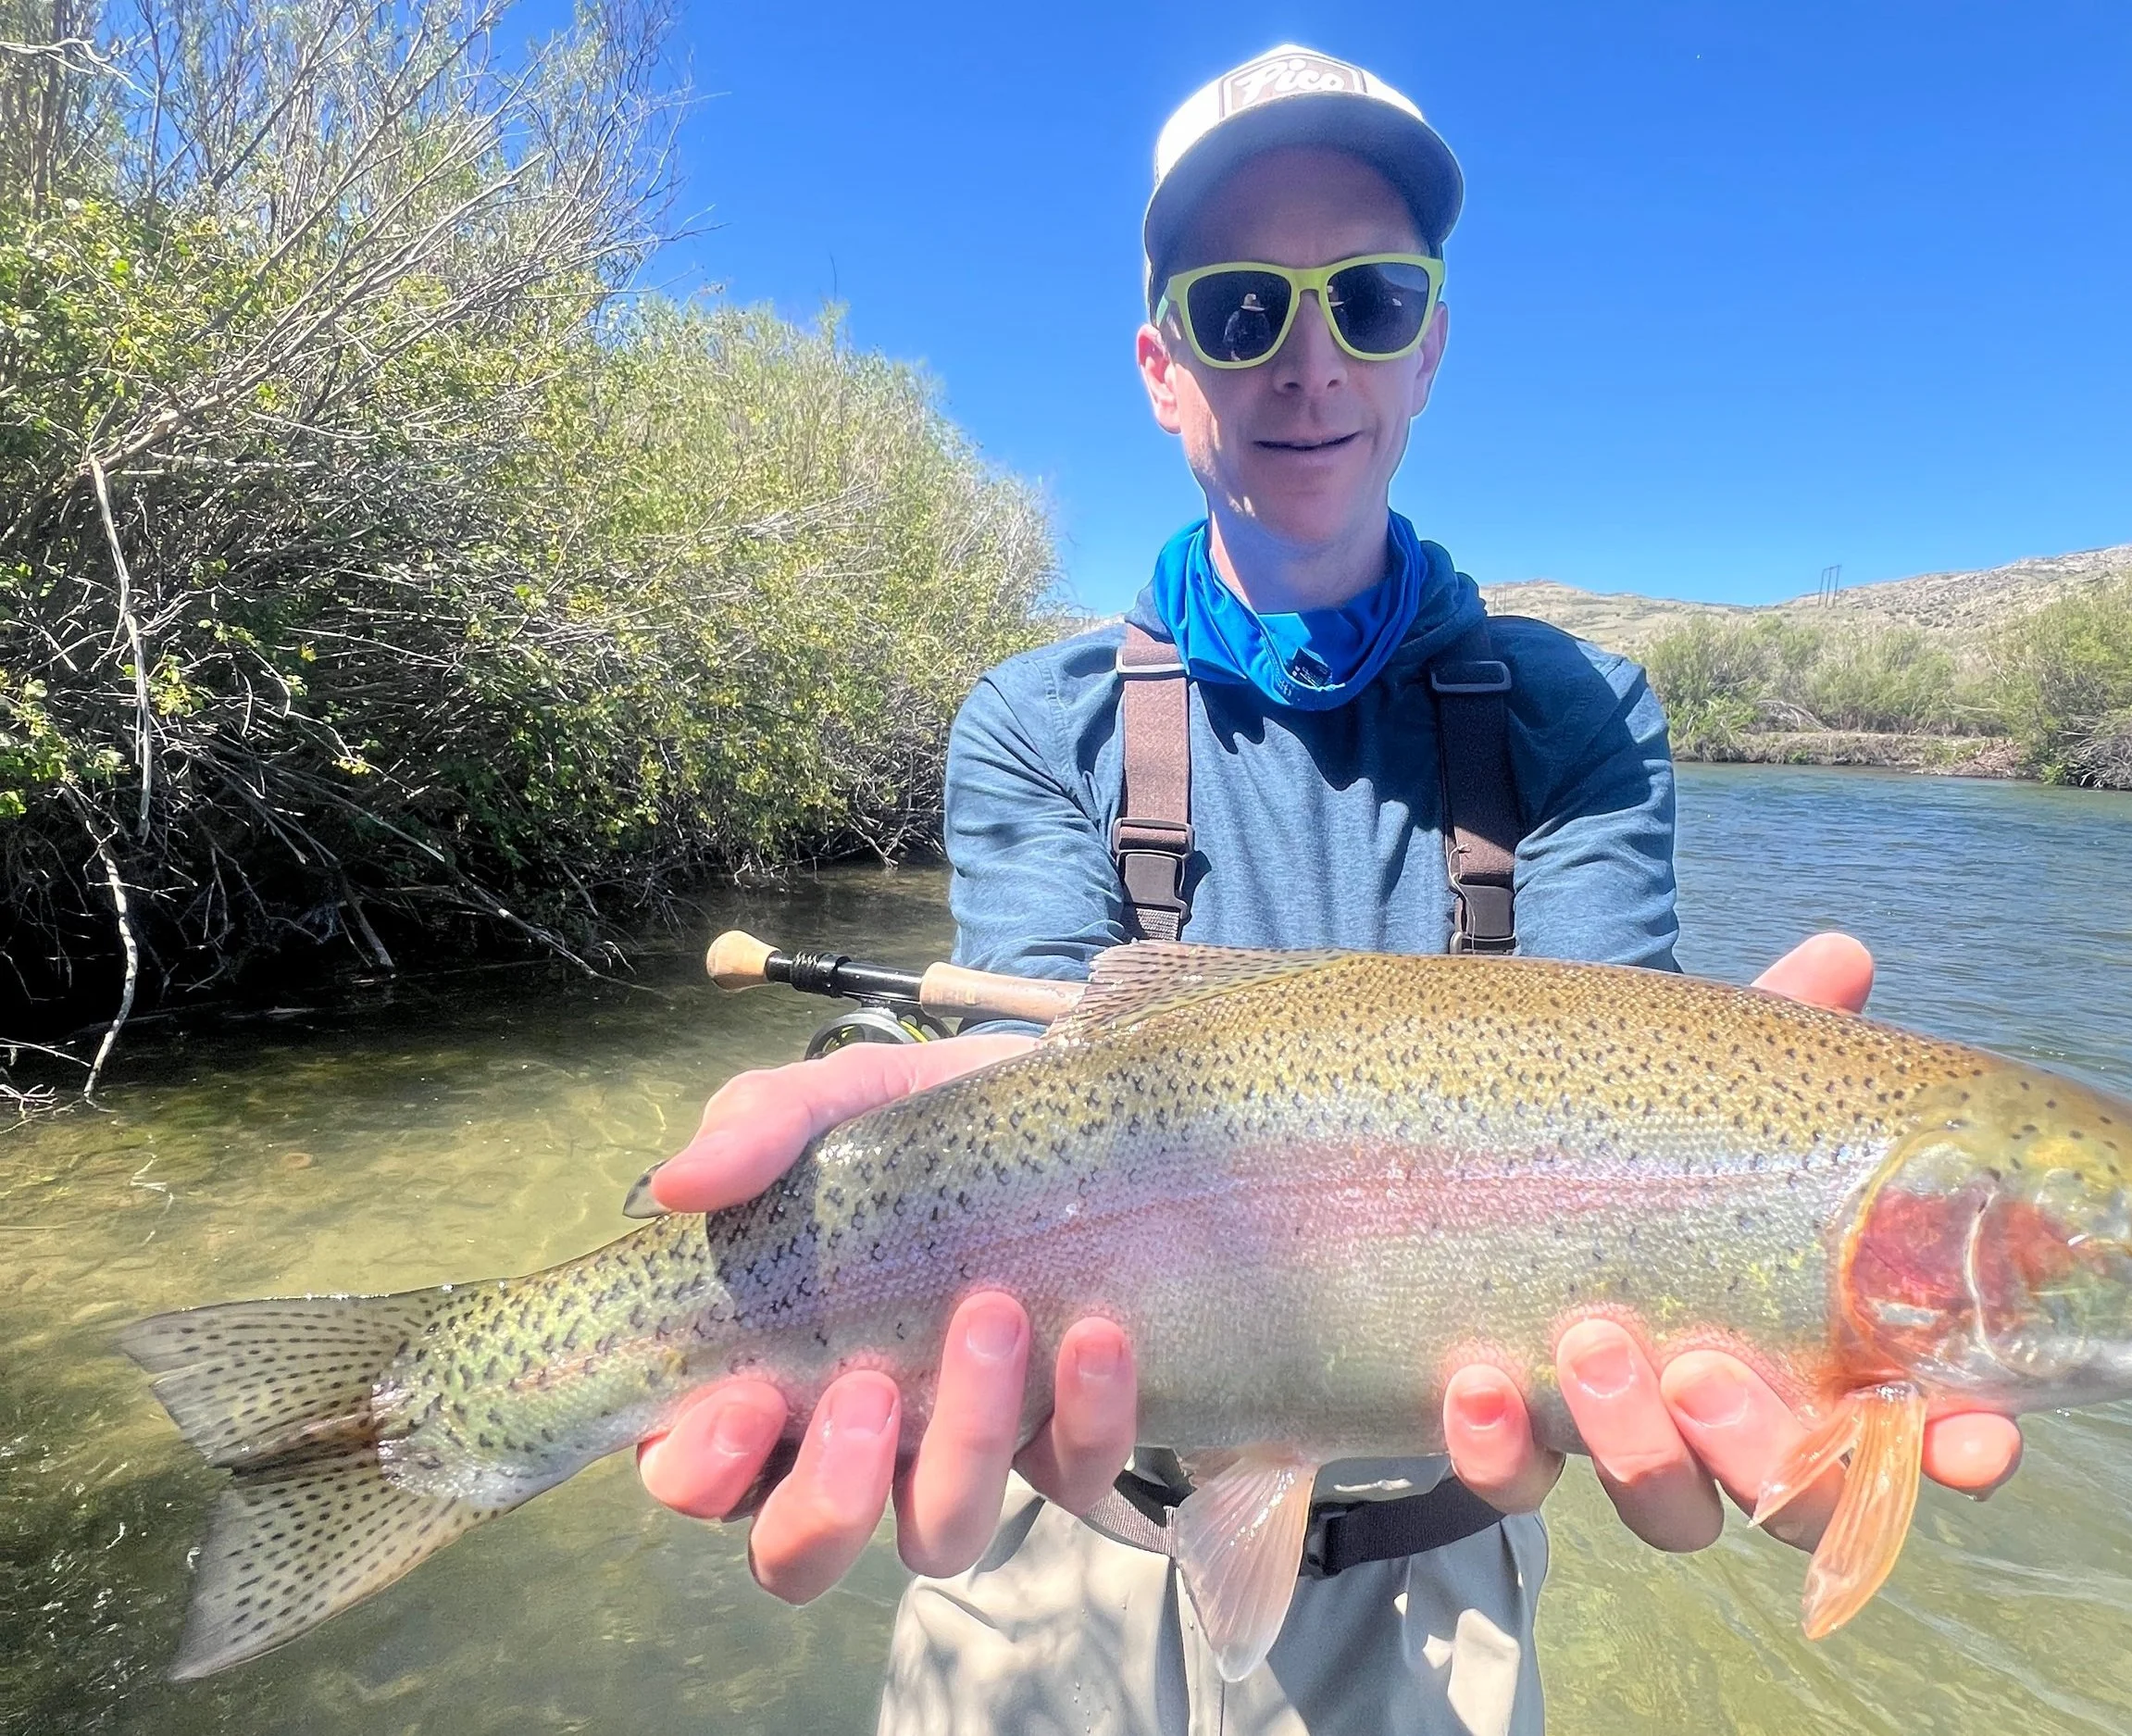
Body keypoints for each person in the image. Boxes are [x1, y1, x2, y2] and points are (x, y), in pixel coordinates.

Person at [632, 45, 2025, 1735]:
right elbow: (1026, 1115)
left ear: (1430, 341)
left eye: (1368, 297)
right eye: (1238, 310)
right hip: (1058, 1520)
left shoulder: (1581, 719)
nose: (1307, 359)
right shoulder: (1034, 723)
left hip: (1440, 1568)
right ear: (1162, 369)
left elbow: (1615, 1101)